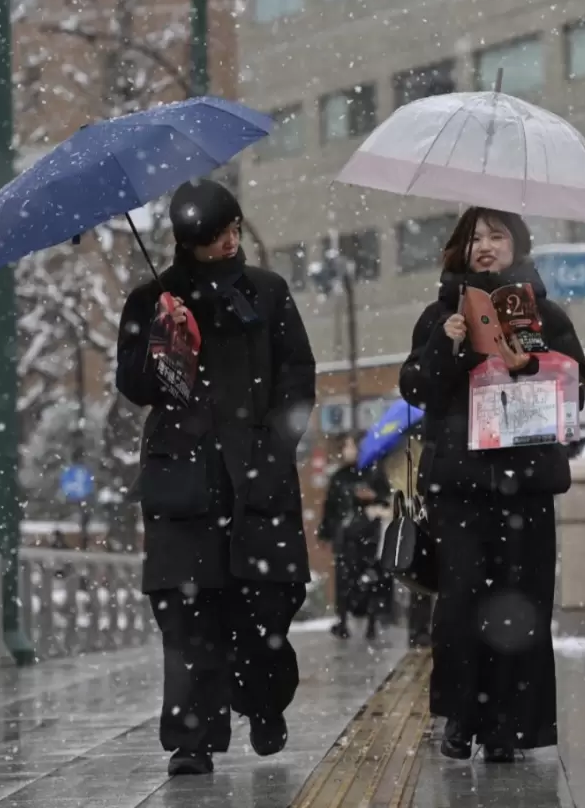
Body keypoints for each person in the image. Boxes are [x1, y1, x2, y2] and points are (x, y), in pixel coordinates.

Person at [115, 179, 316, 777]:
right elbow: (135, 386)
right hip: (184, 474)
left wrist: (273, 448)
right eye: (215, 235)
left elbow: (297, 376)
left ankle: (263, 702)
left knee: (265, 608)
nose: (230, 241)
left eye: (234, 229)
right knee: (187, 612)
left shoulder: (268, 292)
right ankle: (193, 737)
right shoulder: (151, 299)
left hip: (257, 472)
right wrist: (164, 340)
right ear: (188, 241)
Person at [398, 207, 585, 763]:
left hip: (525, 484)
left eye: (497, 236)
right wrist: (447, 347)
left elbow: (576, 388)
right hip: (458, 485)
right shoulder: (439, 315)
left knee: (521, 605)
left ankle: (509, 726)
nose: (485, 245)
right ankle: (463, 715)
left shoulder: (546, 314)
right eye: (475, 237)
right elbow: (415, 389)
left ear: (516, 246)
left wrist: (527, 365)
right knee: (460, 602)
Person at [318, 435, 392, 640]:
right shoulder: (339, 477)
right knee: (343, 580)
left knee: (370, 577)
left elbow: (385, 501)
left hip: (368, 535)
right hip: (344, 536)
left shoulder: (373, 473)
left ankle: (371, 622)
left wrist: (373, 499)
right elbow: (331, 507)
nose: (348, 451)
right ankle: (342, 621)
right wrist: (325, 532)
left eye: (352, 446)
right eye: (346, 447)